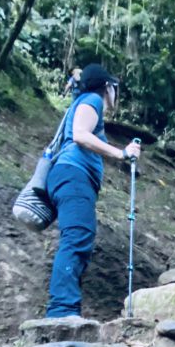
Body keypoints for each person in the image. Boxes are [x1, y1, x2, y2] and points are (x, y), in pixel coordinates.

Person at [45, 63, 140, 319]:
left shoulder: (83, 102)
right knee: (77, 237)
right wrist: (121, 153)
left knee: (78, 237)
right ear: (107, 87)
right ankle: (61, 312)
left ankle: (64, 309)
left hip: (69, 177)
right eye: (115, 87)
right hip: (73, 176)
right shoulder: (92, 100)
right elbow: (80, 135)